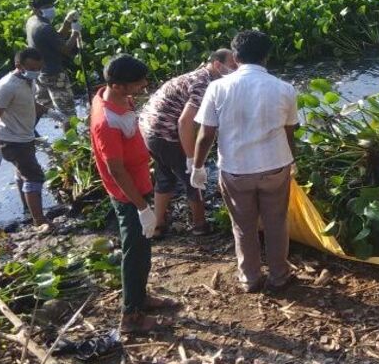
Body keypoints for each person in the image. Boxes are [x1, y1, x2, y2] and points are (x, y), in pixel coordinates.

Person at [191, 30, 299, 293]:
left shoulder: (217, 87)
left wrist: (197, 167)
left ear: (236, 57)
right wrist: (293, 161)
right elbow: (289, 131)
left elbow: (206, 135)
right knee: (276, 222)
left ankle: (249, 278)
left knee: (243, 225)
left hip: (236, 169)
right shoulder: (285, 88)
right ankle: (279, 275)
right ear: (267, 57)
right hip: (275, 165)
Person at [89, 54, 178, 334]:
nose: (143, 86)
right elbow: (116, 169)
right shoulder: (106, 122)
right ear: (118, 85)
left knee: (143, 248)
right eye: (137, 83)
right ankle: (131, 317)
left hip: (139, 185)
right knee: (135, 252)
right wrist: (142, 208)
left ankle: (140, 298)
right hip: (128, 195)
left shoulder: (114, 98)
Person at [139, 49, 238, 239]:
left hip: (148, 131)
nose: (235, 70)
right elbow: (184, 122)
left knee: (165, 177)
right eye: (232, 66)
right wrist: (193, 160)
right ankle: (200, 225)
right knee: (194, 181)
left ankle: (157, 225)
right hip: (166, 133)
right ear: (217, 65)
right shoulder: (205, 84)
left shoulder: (198, 75)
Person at [0, 48, 49, 227]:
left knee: (22, 172)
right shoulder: (7, 86)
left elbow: (29, 103)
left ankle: (28, 210)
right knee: (34, 176)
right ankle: (39, 221)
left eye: (39, 68)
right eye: (32, 68)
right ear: (19, 66)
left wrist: (49, 112)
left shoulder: (29, 80)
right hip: (12, 141)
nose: (36, 72)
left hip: (25, 137)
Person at [25, 0, 81, 123]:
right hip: (54, 74)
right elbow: (66, 50)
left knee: (42, 106)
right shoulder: (44, 27)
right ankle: (72, 142)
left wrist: (67, 22)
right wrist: (75, 32)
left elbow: (55, 38)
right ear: (36, 9)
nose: (51, 9)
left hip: (40, 73)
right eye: (46, 7)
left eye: (51, 5)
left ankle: (28, 134)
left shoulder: (33, 21)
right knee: (67, 114)